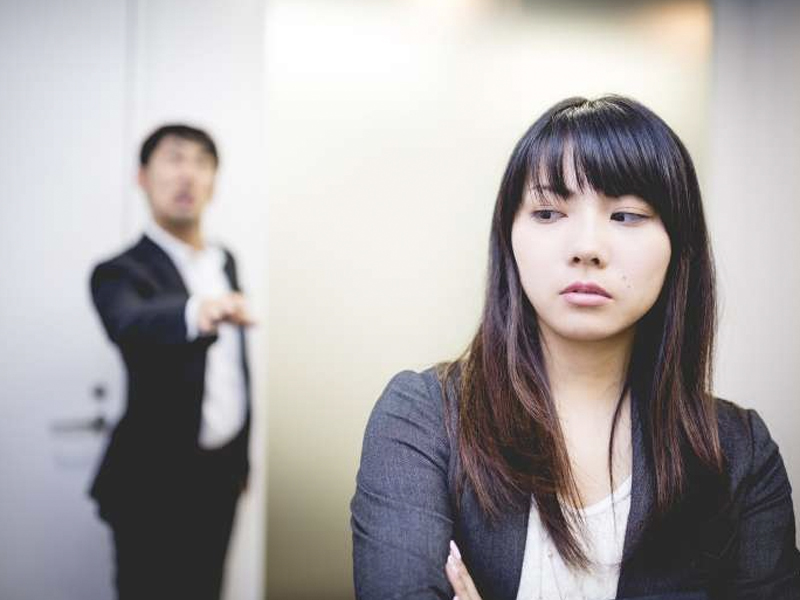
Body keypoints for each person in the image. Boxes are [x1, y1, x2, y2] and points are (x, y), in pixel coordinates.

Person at [350, 96, 800, 599]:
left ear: (679, 246)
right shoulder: (424, 418)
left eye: (626, 215)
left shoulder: (738, 452)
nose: (587, 247)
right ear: (509, 239)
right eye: (548, 212)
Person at [90, 124, 255, 600]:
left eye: (202, 162)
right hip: (151, 485)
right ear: (143, 177)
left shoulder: (226, 262)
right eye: (174, 158)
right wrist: (197, 311)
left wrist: (241, 462)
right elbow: (129, 323)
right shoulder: (118, 272)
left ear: (214, 183)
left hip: (221, 476)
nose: (188, 174)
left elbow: (233, 373)